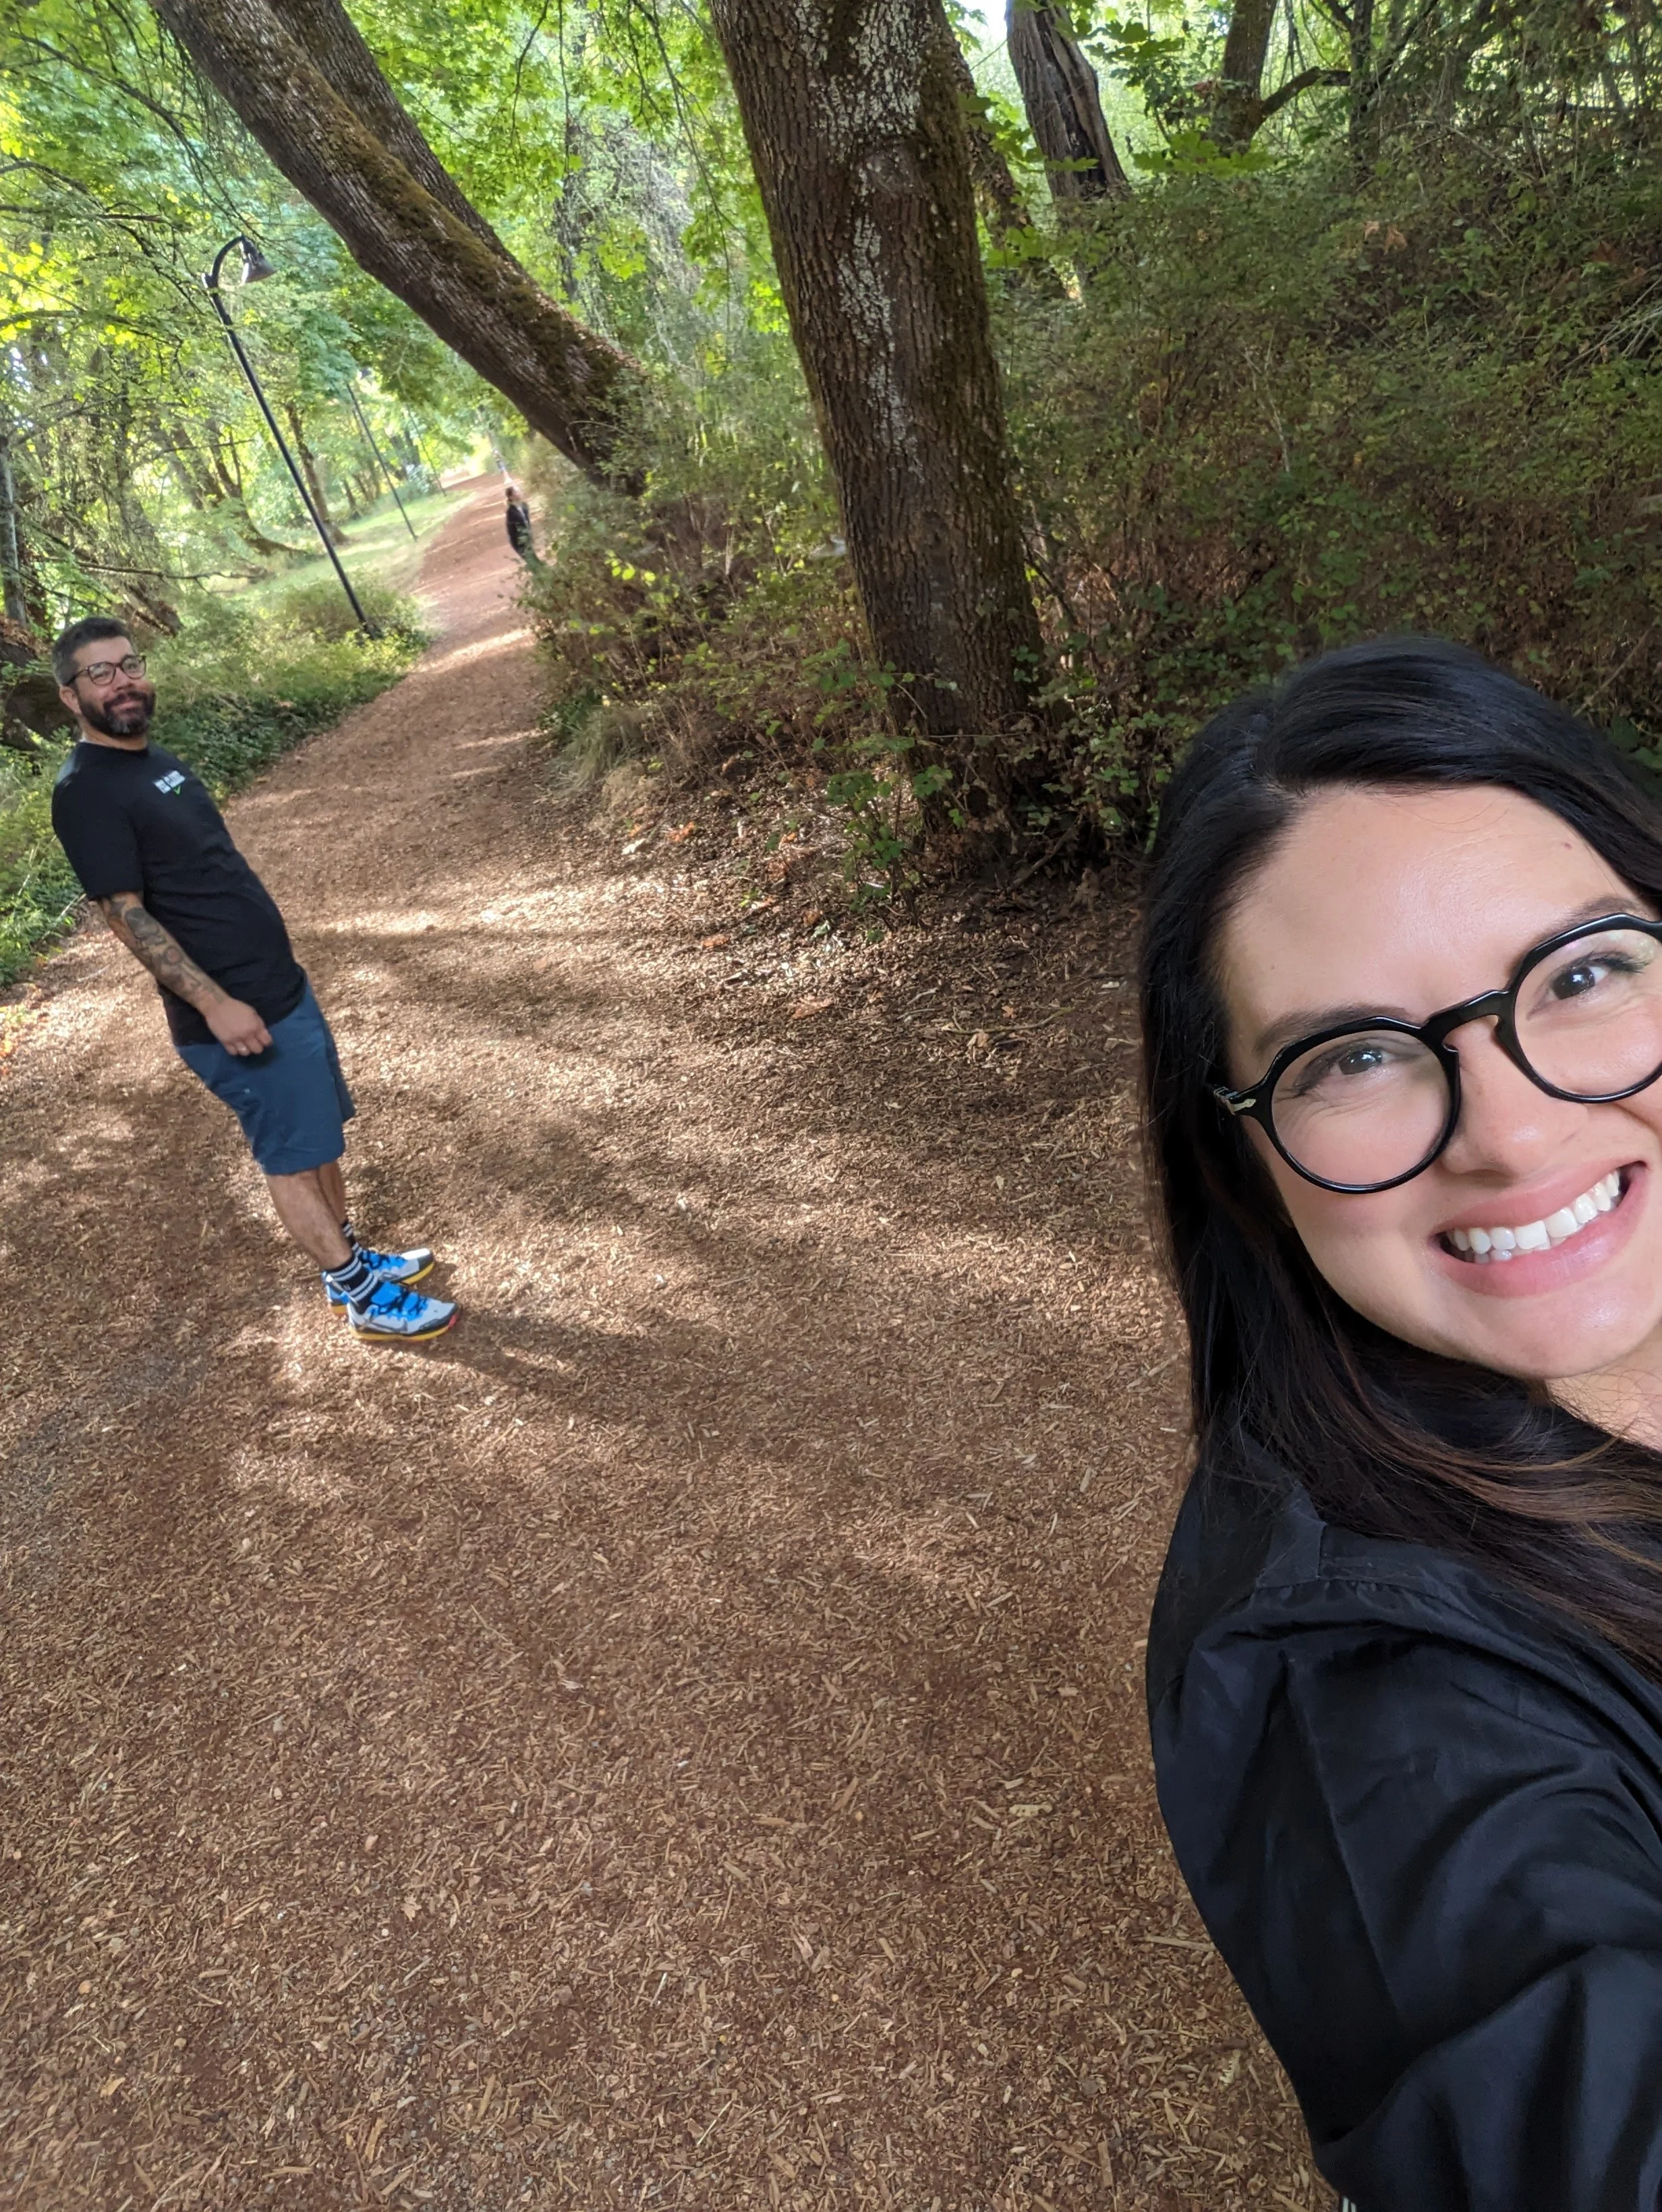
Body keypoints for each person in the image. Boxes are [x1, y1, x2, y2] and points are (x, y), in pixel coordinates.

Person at [1140, 635, 1662, 2210]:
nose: (1512, 1132)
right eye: (1357, 1054)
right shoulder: (1361, 1686)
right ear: (1242, 1152)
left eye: (1581, 973)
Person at [49, 615, 458, 1344]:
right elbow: (124, 914)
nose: (122, 682)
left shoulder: (153, 760)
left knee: (319, 1141)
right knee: (288, 1158)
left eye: (129, 664)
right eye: (100, 674)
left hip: (277, 988)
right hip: (234, 1016)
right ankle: (359, 1295)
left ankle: (351, 1258)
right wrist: (215, 1004)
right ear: (68, 697)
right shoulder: (86, 791)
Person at [504, 483, 534, 563]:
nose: (520, 493)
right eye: (516, 492)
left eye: (519, 491)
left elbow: (527, 523)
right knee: (532, 562)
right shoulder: (511, 512)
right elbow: (512, 531)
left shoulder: (524, 506)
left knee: (534, 561)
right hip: (519, 541)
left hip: (527, 538)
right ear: (511, 497)